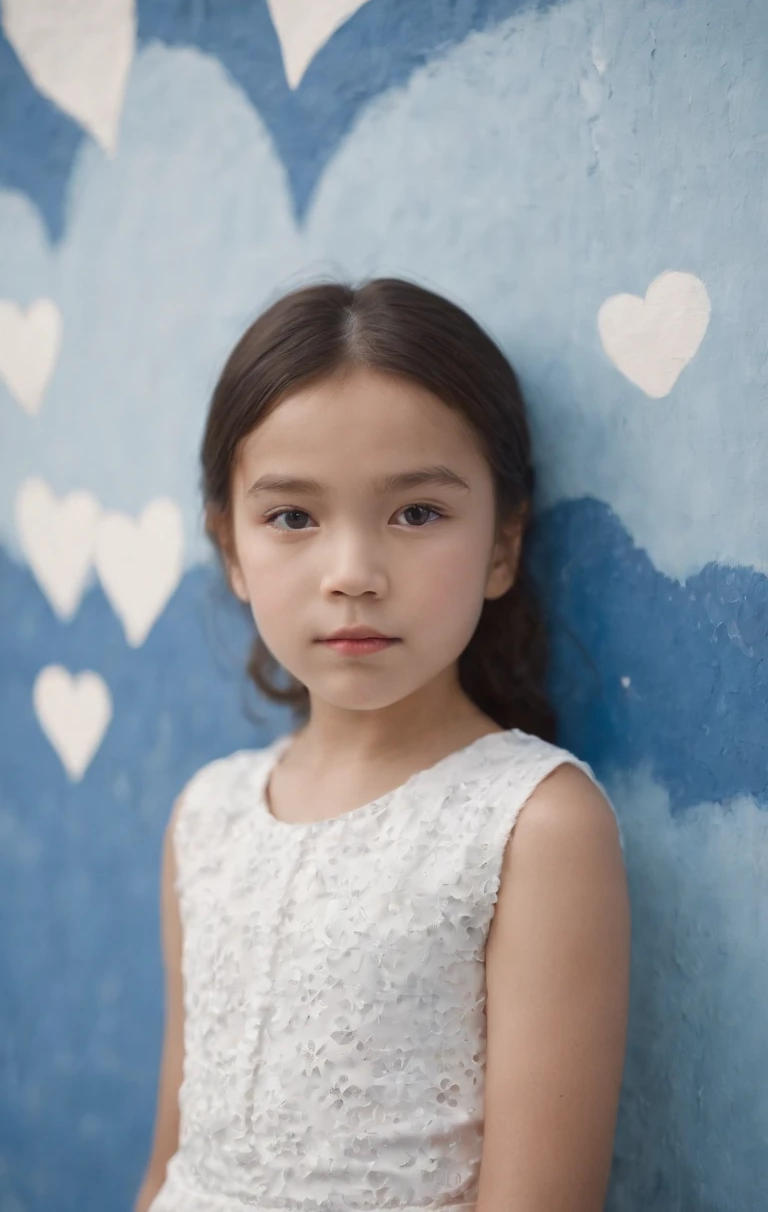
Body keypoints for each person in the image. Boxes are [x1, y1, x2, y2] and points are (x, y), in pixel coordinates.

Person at [135, 278, 631, 1212]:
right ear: (232, 549)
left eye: (416, 514)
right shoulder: (206, 816)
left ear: (502, 546)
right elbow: (169, 1167)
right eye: (292, 517)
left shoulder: (533, 826)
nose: (353, 574)